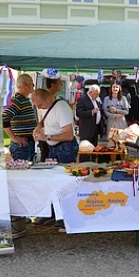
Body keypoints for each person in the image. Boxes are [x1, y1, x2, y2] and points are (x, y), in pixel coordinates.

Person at [32, 88, 79, 230]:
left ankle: (63, 215)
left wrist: (46, 137)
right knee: (51, 181)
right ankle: (51, 213)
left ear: (47, 99)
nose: (38, 107)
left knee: (62, 183)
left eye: (39, 104)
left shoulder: (62, 108)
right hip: (52, 147)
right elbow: (43, 120)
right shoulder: (44, 107)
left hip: (65, 148)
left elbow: (69, 135)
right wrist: (38, 129)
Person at [2, 74, 37, 161]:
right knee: (22, 172)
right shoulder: (17, 100)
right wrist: (14, 138)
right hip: (21, 145)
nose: (33, 86)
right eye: (32, 84)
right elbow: (4, 118)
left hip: (27, 143)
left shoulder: (24, 99)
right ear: (26, 85)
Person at [37, 71, 63, 162]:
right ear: (53, 85)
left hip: (54, 136)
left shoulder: (55, 98)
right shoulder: (45, 99)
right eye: (59, 82)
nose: (62, 85)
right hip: (47, 136)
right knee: (46, 164)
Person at [76, 84, 102, 162]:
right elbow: (79, 113)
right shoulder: (82, 99)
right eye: (96, 94)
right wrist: (91, 112)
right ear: (90, 92)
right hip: (86, 129)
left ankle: (93, 166)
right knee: (85, 150)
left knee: (94, 149)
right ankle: (84, 167)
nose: (97, 96)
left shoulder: (96, 100)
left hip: (95, 128)